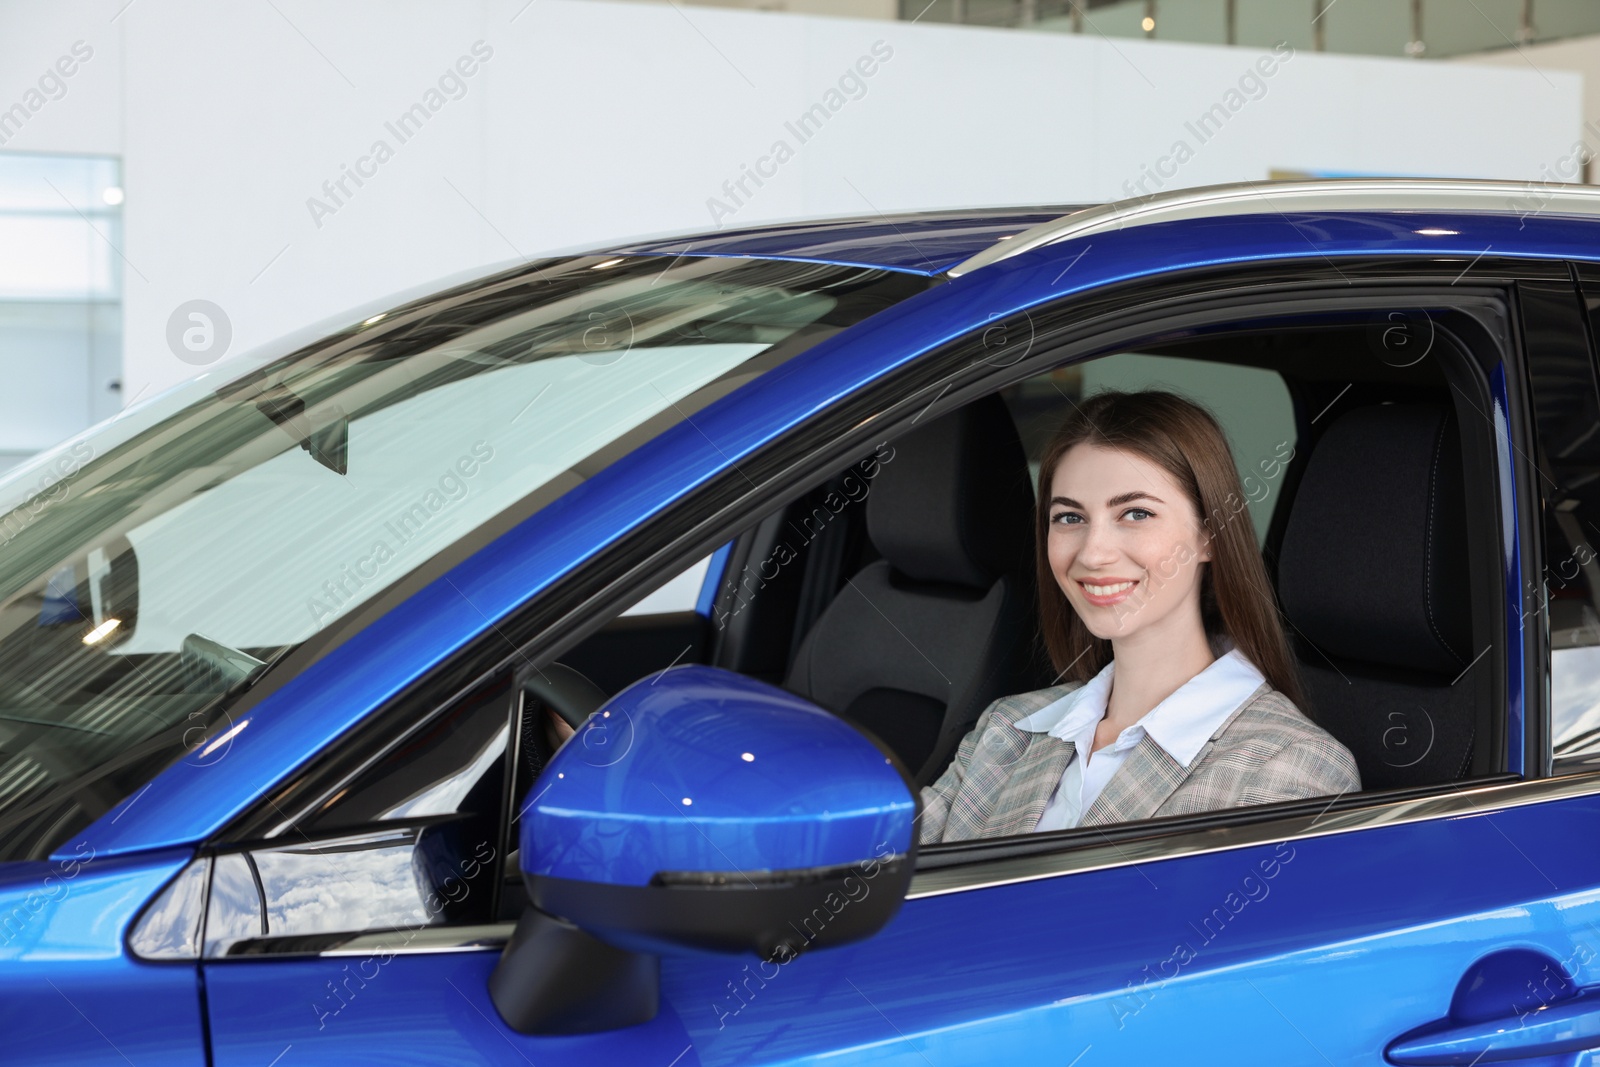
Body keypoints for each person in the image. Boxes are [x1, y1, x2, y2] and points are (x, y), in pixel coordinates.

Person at [919, 390, 1359, 844]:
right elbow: (879, 876)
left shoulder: (1291, 769)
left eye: (1135, 513)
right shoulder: (1007, 728)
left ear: (1210, 533)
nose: (1092, 553)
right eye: (1069, 518)